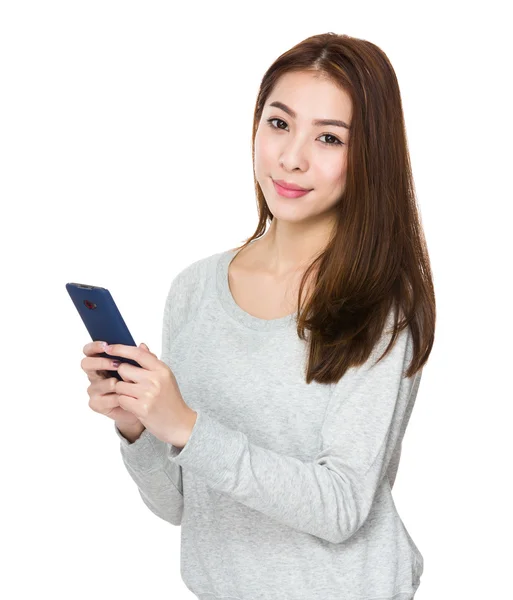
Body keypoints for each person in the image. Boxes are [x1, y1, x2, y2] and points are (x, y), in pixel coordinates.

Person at [82, 32, 435, 600]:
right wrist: (139, 424)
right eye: (279, 123)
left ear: (369, 155)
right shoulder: (194, 291)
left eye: (328, 137)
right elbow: (179, 505)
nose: (292, 157)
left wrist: (188, 425)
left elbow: (342, 506)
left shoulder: (381, 307)